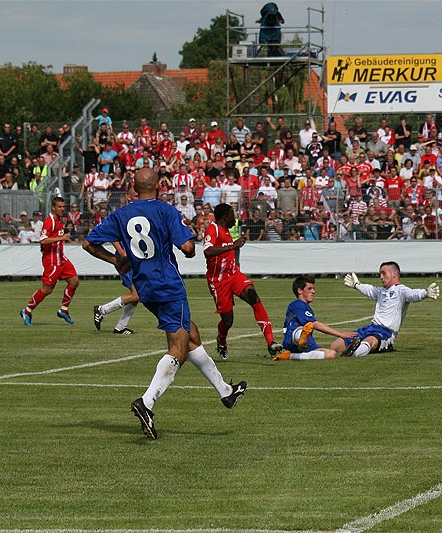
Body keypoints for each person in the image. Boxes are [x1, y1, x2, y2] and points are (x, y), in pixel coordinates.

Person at [83, 168, 247, 440]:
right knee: (178, 348)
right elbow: (188, 249)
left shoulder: (120, 214)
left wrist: (115, 260)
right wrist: (187, 238)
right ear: (159, 186)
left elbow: (88, 244)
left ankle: (225, 392)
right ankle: (146, 403)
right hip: (169, 286)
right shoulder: (165, 210)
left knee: (191, 334)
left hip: (145, 288)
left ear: (134, 189)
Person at [203, 202, 284, 359]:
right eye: (233, 215)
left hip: (234, 274)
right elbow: (207, 251)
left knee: (254, 298)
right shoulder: (213, 229)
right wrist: (232, 246)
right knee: (228, 321)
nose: (235, 218)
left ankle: (271, 342)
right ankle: (221, 340)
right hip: (218, 281)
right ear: (225, 217)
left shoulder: (226, 230)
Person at [332, 262, 440, 357]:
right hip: (370, 328)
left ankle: (353, 354)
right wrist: (356, 285)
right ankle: (355, 348)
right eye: (380, 274)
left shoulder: (401, 290)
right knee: (335, 346)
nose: (380, 277)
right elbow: (369, 289)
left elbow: (413, 294)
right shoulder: (381, 291)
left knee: (370, 341)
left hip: (385, 332)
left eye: (383, 273)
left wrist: (425, 293)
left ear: (394, 274)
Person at [20, 197, 79, 326]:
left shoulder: (58, 220)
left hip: (61, 257)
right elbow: (43, 239)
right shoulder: (49, 221)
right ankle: (27, 311)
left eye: (63, 207)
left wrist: (63, 237)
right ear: (53, 207)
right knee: (47, 289)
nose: (62, 209)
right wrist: (61, 237)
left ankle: (63, 310)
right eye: (59, 207)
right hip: (52, 260)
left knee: (74, 281)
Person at [273, 275, 359, 361]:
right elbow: (315, 324)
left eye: (313, 289)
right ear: (300, 290)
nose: (313, 292)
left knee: (331, 354)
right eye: (309, 289)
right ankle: (301, 337)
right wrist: (340, 334)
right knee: (307, 326)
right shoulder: (297, 304)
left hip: (305, 344)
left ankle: (290, 356)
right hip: (292, 338)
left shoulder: (306, 308)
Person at [93, 241, 139, 334]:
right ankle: (102, 310)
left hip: (135, 260)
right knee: (136, 295)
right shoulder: (122, 227)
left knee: (136, 296)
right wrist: (122, 253)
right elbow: (115, 238)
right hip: (126, 261)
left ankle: (121, 327)